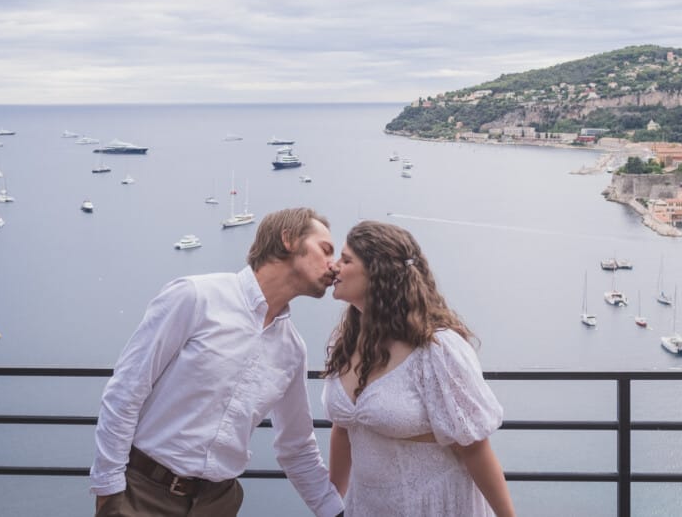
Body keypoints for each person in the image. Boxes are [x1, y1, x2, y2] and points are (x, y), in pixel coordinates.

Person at [91, 207, 346, 517]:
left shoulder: (292, 349)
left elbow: (297, 447)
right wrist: (109, 491)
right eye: (326, 249)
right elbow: (125, 392)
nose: (333, 265)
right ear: (288, 239)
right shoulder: (196, 297)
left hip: (218, 504)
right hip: (142, 496)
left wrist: (337, 512)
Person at [322, 220, 516, 517]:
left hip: (434, 506)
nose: (335, 266)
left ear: (377, 273)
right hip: (367, 507)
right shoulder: (346, 340)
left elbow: (475, 448)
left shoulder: (437, 350)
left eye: (346, 259)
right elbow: (343, 430)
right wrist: (331, 505)